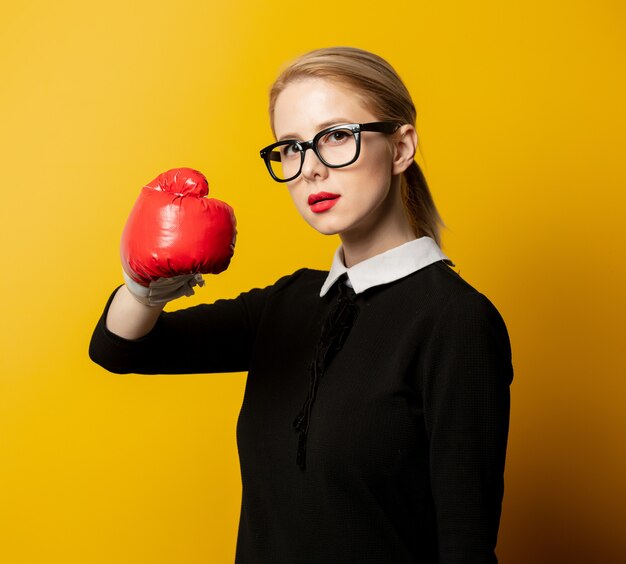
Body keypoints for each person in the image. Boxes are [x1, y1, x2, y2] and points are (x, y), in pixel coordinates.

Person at [90, 46, 513, 564]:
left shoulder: (456, 320)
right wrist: (141, 287)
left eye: (336, 136)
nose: (310, 168)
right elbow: (123, 350)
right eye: (290, 147)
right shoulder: (290, 304)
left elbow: (465, 546)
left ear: (401, 147)